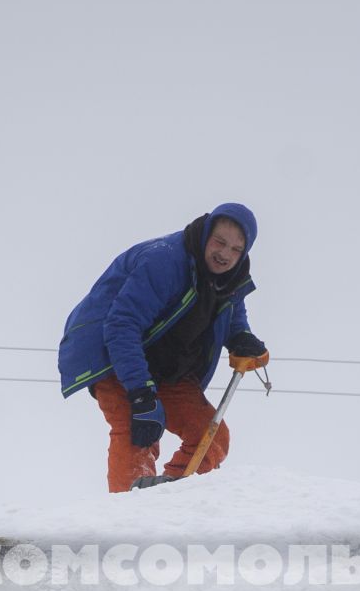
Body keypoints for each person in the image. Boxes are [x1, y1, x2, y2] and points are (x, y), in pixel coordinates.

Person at [57, 203, 270, 493]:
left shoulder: (231, 278)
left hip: (170, 367)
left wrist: (241, 336)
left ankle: (169, 501)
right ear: (207, 234)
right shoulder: (164, 261)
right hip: (116, 356)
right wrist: (141, 394)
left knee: (211, 435)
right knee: (139, 430)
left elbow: (232, 311)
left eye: (235, 249)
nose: (225, 254)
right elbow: (122, 325)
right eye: (220, 242)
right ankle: (128, 516)